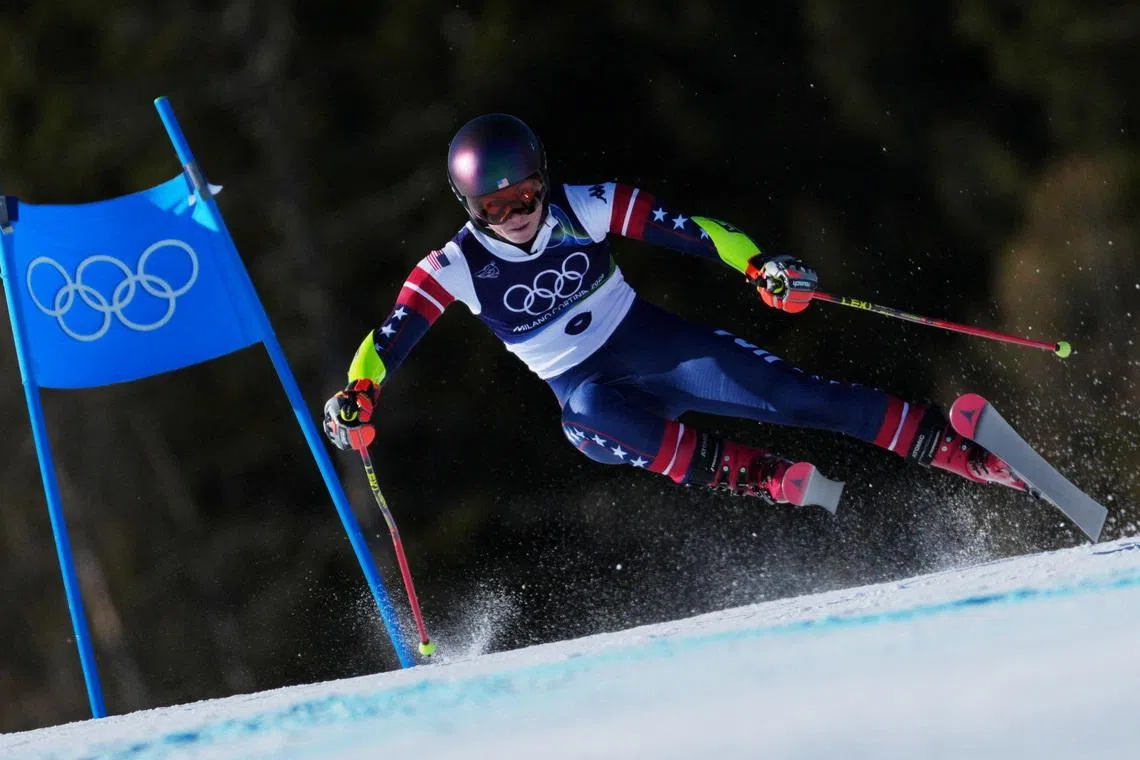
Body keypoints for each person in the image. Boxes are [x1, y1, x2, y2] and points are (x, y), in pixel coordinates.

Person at [322, 113, 1026, 508]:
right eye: (493, 207)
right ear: (468, 206)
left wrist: (759, 266)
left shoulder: (585, 205)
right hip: (595, 407)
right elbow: (387, 340)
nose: (515, 217)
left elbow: (695, 229)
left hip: (655, 345)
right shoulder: (453, 267)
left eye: (526, 195)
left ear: (545, 179)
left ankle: (957, 451)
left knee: (798, 396)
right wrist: (357, 395)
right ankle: (760, 475)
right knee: (586, 410)